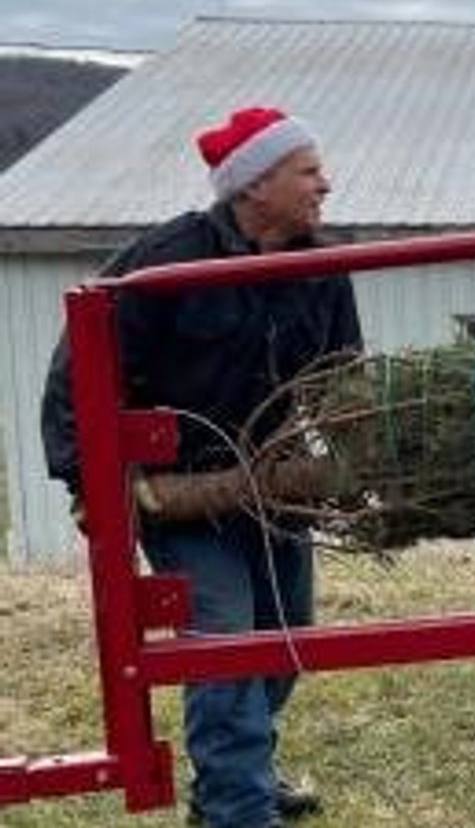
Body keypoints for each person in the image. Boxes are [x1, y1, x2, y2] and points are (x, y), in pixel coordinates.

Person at [42, 106, 361, 827]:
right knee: (226, 640)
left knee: (287, 640)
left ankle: (236, 770)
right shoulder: (167, 261)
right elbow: (81, 368)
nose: (326, 185)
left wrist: (356, 455)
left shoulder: (324, 267)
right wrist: (90, 480)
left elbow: (345, 378)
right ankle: (237, 807)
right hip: (182, 492)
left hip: (279, 486)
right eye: (308, 171)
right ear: (254, 185)